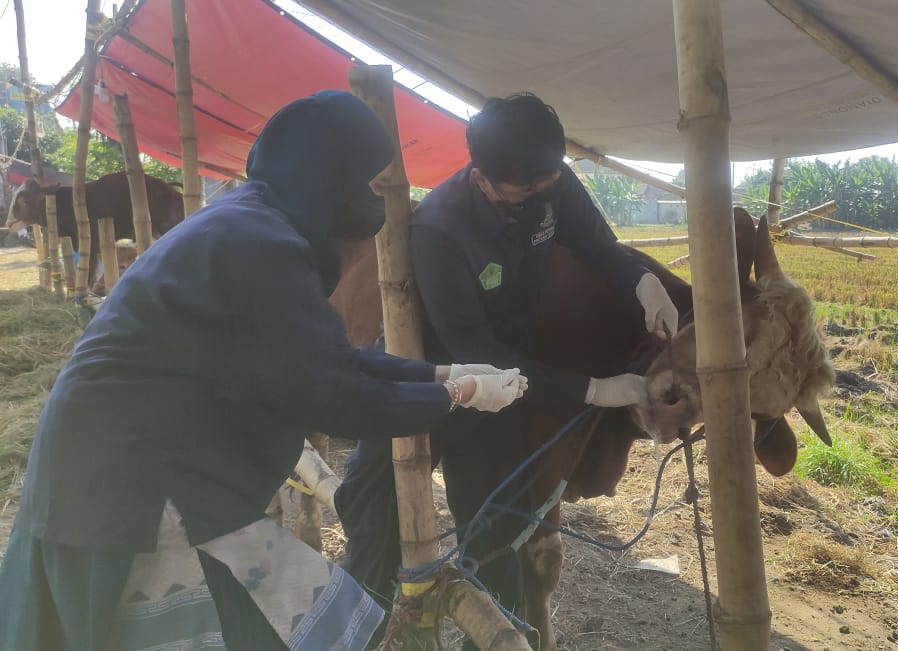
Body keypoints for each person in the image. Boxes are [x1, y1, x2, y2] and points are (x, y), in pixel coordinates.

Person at [0, 90, 526, 651]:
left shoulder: (250, 223)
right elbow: (333, 395)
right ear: (328, 180)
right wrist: (460, 396)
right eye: (367, 185)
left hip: (134, 461)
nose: (374, 202)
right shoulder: (260, 245)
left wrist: (440, 375)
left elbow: (322, 358)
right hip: (136, 481)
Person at [335, 92, 680, 646]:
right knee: (372, 518)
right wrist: (592, 389)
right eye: (527, 187)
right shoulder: (441, 229)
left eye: (550, 180)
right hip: (426, 378)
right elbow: (476, 350)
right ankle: (360, 632)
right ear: (482, 176)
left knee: (499, 537)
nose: (543, 193)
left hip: (499, 393)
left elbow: (596, 245)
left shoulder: (551, 183)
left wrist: (642, 281)